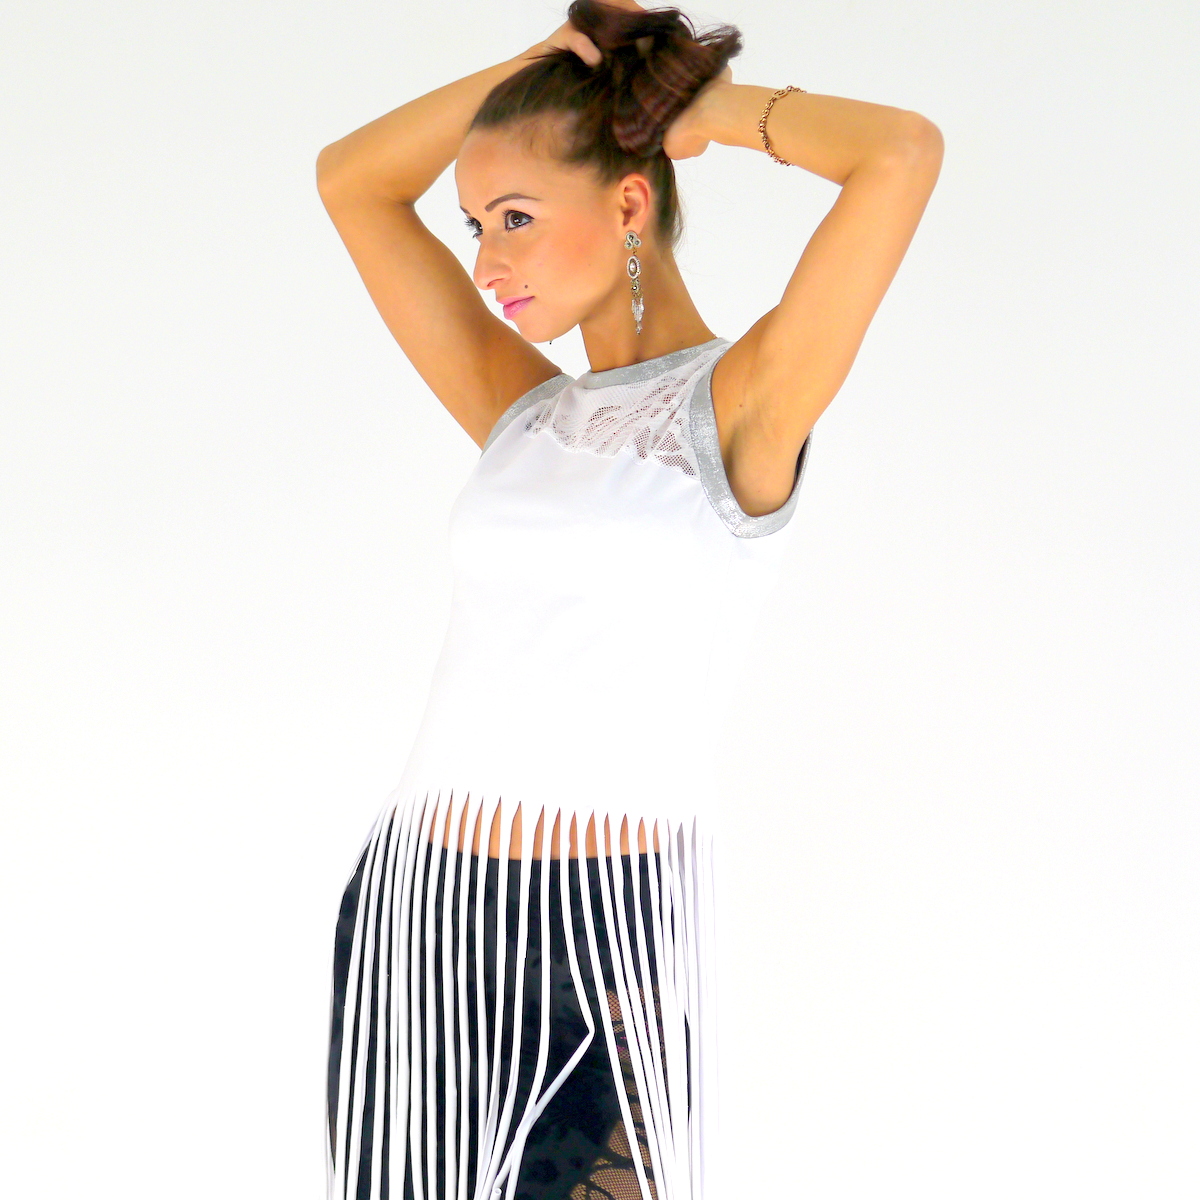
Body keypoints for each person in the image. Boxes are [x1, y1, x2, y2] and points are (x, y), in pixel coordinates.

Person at [315, 1, 942, 1197]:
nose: (487, 262)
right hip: (423, 919)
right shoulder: (524, 411)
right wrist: (541, 73)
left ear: (629, 203)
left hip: (608, 941)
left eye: (516, 218)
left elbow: (900, 152)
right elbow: (351, 181)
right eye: (475, 226)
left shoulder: (742, 403)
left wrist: (695, 113)